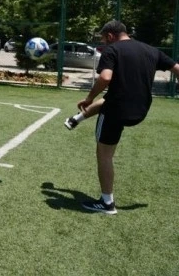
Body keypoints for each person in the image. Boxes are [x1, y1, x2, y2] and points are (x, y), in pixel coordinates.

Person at [69, 20, 179, 214]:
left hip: (117, 111)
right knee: (109, 99)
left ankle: (107, 203)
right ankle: (76, 119)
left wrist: (89, 97)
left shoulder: (112, 51)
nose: (104, 43)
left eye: (104, 39)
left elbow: (105, 78)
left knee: (104, 154)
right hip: (140, 110)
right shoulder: (151, 50)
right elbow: (177, 69)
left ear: (110, 36)